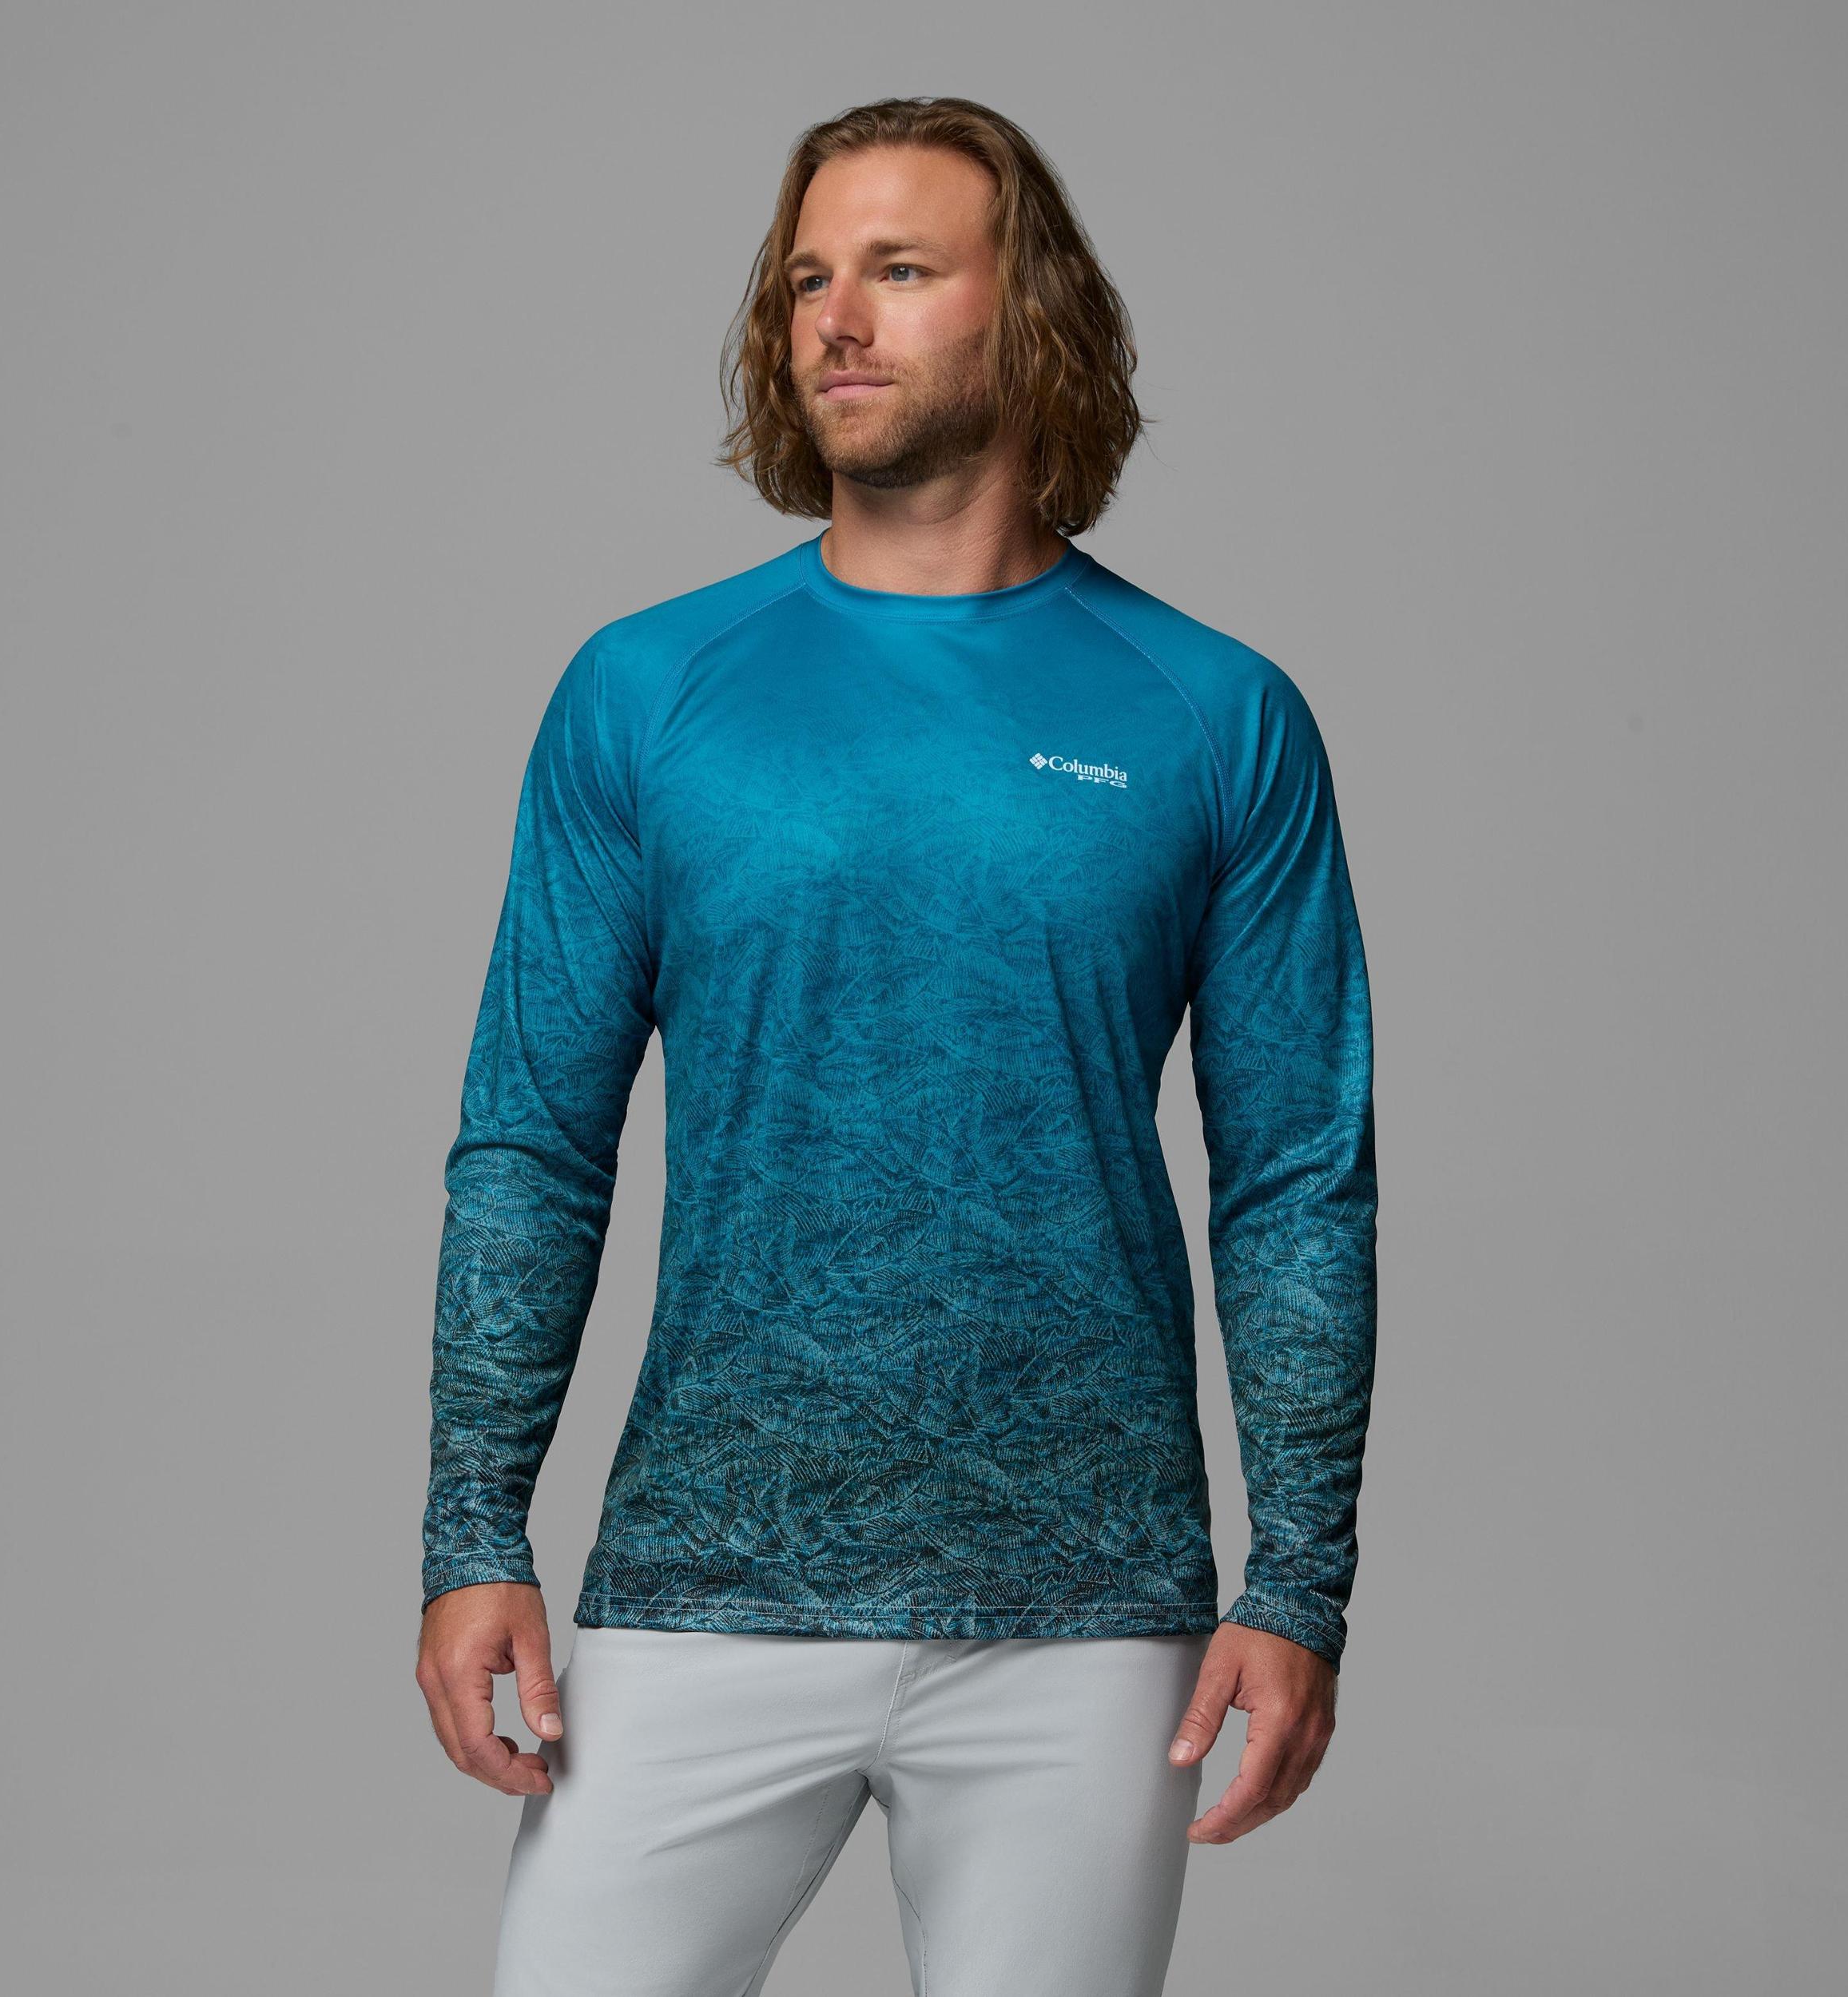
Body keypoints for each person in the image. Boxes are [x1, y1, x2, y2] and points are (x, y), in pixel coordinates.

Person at [415, 93, 1378, 1997]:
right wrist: (470, 1529)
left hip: (1084, 1619)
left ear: (1028, 313)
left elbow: (1294, 1177)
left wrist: (1298, 1581)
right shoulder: (644, 690)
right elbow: (532, 1137)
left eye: (899, 269)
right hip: (701, 1582)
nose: (834, 319)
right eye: (805, 280)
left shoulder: (1214, 714)